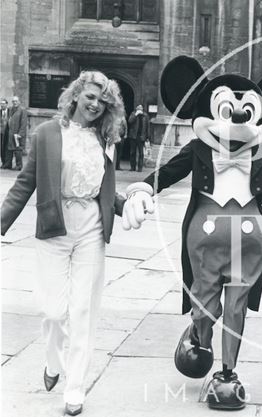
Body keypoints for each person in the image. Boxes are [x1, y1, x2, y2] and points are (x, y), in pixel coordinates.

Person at [1, 71, 126, 415]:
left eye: (103, 102)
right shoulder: (46, 134)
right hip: (55, 227)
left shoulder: (106, 140)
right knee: (53, 311)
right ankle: (53, 361)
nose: (96, 105)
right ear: (75, 96)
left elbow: (105, 189)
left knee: (83, 310)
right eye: (90, 97)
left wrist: (126, 204)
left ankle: (75, 388)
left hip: (91, 228)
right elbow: (24, 184)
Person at [4, 95, 29, 170]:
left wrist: (20, 134)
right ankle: (8, 164)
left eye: (16, 101)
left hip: (17, 134)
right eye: (13, 101)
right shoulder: (10, 109)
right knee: (9, 149)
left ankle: (18, 165)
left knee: (18, 150)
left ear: (19, 102)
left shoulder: (22, 110)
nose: (14, 103)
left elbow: (23, 123)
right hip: (10, 132)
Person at [127, 104, 149, 172]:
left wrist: (147, 136)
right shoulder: (133, 114)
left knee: (141, 153)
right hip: (133, 136)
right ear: (136, 109)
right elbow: (130, 121)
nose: (140, 109)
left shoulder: (145, 116)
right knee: (132, 152)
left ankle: (140, 168)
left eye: (141, 108)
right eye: (138, 108)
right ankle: (132, 167)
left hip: (141, 137)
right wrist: (136, 114)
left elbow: (148, 127)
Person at [0, 98, 9, 167]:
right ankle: (3, 163)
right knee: (1, 148)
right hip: (1, 133)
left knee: (7, 148)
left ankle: (7, 163)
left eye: (3, 104)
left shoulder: (10, 112)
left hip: (8, 133)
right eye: (1, 104)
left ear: (6, 104)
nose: (2, 105)